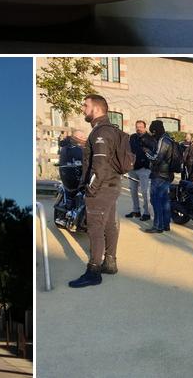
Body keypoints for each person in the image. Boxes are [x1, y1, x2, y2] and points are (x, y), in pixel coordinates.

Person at [68, 94, 125, 288]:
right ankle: (110, 262)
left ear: (97, 109)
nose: (83, 109)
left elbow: (99, 165)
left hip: (101, 188)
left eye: (85, 105)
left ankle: (93, 271)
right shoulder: (113, 130)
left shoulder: (100, 133)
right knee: (109, 225)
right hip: (112, 185)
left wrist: (91, 189)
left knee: (95, 228)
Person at [145, 120, 176, 234]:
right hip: (167, 174)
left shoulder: (163, 140)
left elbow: (157, 158)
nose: (152, 134)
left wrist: (147, 152)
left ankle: (158, 225)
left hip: (160, 175)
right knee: (164, 200)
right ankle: (165, 224)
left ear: (155, 130)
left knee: (156, 200)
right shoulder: (169, 139)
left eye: (152, 132)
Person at [126, 120, 154, 221]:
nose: (139, 128)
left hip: (145, 169)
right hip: (133, 168)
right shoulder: (132, 137)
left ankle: (146, 213)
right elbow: (128, 150)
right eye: (137, 126)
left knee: (145, 193)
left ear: (145, 127)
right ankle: (136, 211)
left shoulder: (150, 139)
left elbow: (153, 153)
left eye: (141, 127)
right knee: (133, 191)